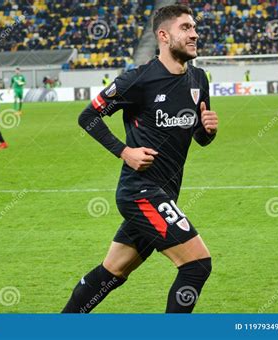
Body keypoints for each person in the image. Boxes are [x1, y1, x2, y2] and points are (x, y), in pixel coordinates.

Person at [62, 4, 218, 314]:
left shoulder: (198, 79)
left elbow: (200, 137)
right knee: (197, 265)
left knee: (112, 273)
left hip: (165, 195)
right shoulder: (139, 80)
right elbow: (88, 116)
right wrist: (124, 151)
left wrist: (208, 130)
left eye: (194, 27)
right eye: (185, 28)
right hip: (140, 193)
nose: (195, 34)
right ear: (164, 35)